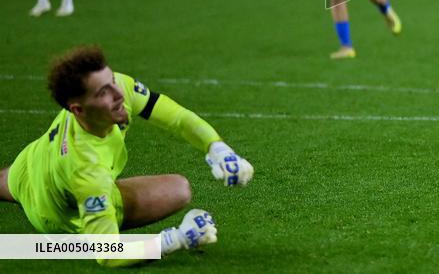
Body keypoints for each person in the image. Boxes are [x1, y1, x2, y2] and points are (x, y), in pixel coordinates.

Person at [0, 46, 254, 266]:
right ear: (78, 109)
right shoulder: (87, 173)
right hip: (52, 215)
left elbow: (177, 118)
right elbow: (108, 255)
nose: (118, 92)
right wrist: (174, 239)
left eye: (112, 79)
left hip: (29, 162)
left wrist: (217, 148)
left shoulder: (118, 88)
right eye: (103, 92)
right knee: (178, 190)